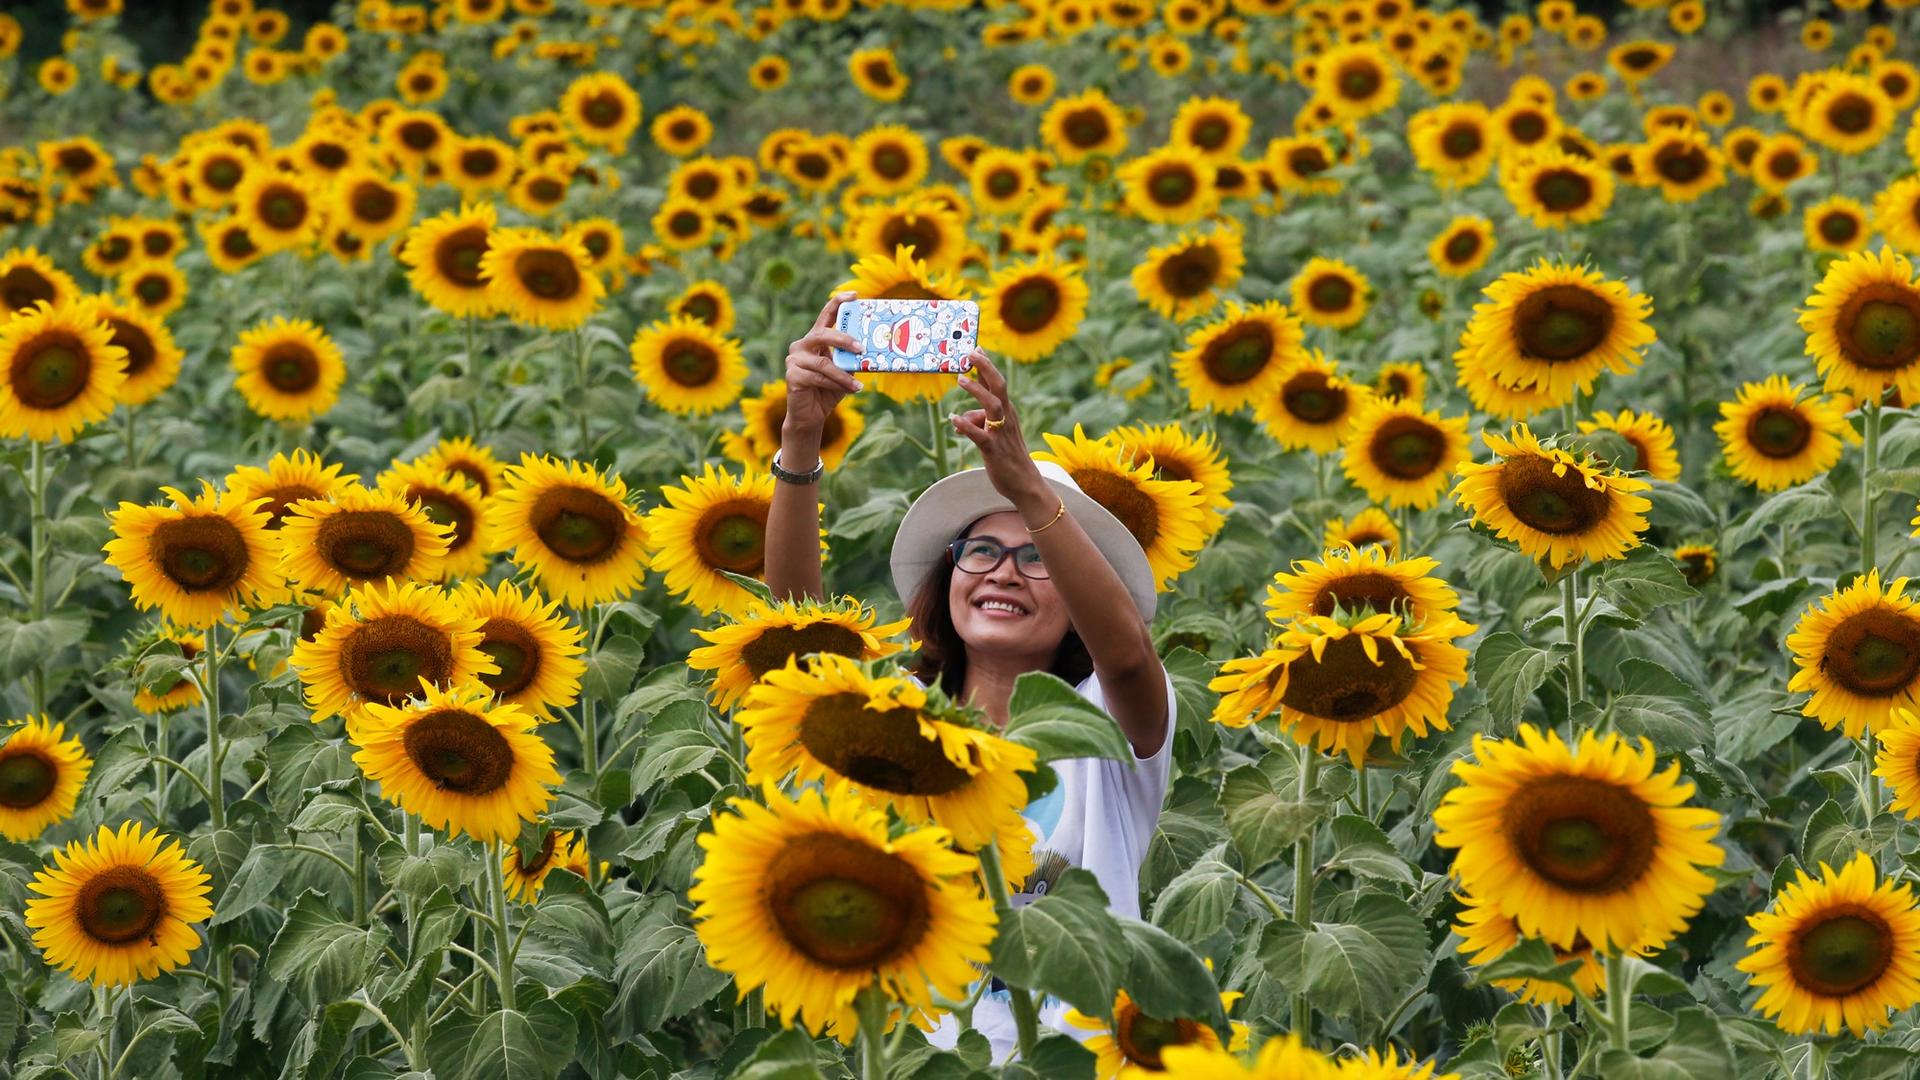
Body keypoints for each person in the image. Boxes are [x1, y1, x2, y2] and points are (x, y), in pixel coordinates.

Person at [765, 291, 1175, 1061]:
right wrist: (800, 437)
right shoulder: (902, 721)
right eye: (982, 551)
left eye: (1040, 557)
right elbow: (796, 636)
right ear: (948, 577)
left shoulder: (1102, 725)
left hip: (1073, 1060)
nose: (1005, 574)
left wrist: (1027, 487)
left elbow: (1124, 653)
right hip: (922, 1061)